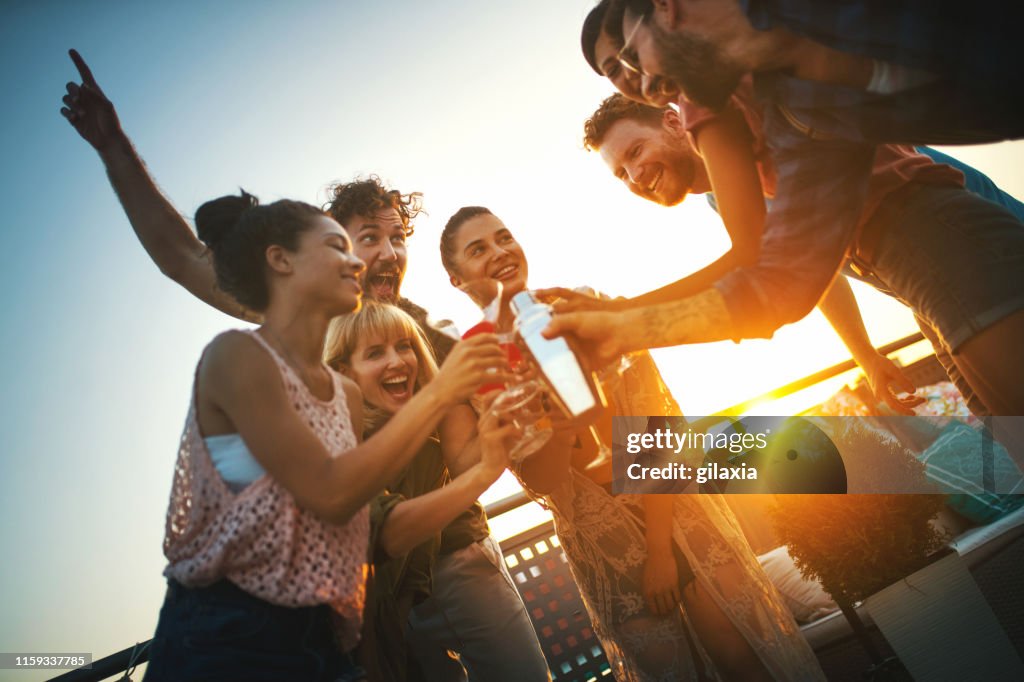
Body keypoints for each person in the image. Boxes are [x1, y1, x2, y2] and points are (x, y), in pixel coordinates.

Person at [60, 49, 550, 682]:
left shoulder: (435, 336)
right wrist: (115, 149)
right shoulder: (294, 331)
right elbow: (182, 257)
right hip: (363, 589)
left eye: (397, 235)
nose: (386, 251)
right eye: (366, 237)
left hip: (459, 556)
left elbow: (498, 448)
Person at [550, 5, 1024, 423]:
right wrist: (621, 327)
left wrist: (622, 320)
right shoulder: (789, 117)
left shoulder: (748, 86)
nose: (643, 80)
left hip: (945, 245)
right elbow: (789, 276)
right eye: (616, 71)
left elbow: (766, 263)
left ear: (668, 10)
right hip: (919, 277)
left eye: (632, 56)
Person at [440, 205, 826, 680]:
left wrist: (661, 549)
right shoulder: (482, 365)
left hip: (673, 506)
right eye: (478, 250)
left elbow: (658, 424)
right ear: (457, 279)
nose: (500, 252)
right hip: (600, 540)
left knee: (741, 653)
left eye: (504, 237)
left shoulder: (582, 304)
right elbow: (540, 481)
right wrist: (558, 427)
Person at [324, 301, 515, 681]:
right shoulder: (337, 439)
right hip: (390, 607)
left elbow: (470, 461)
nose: (397, 361)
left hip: (454, 570)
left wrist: (508, 425)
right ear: (343, 370)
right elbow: (382, 530)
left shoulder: (434, 405)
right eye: (376, 352)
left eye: (405, 346)